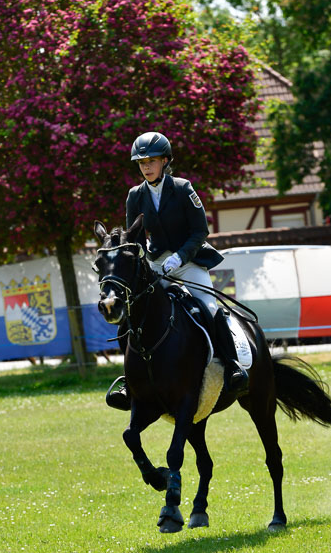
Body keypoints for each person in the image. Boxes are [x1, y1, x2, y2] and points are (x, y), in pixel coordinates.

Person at [106, 130, 248, 411]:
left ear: (166, 160)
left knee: (210, 308)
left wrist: (181, 257)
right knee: (133, 313)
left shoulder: (183, 189)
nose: (146, 167)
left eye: (151, 161)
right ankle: (128, 378)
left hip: (190, 261)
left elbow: (200, 232)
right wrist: (144, 257)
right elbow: (134, 236)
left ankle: (232, 367)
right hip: (156, 263)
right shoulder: (135, 195)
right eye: (141, 163)